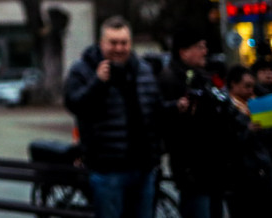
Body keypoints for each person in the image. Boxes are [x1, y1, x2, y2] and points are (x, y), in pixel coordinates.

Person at [64, 16, 162, 218]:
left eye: (124, 43)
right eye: (113, 43)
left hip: (143, 168)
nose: (119, 48)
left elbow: (155, 110)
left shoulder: (142, 70)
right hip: (107, 169)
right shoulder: (83, 69)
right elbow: (75, 104)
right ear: (102, 43)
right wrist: (98, 82)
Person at [157, 26, 226, 218]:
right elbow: (173, 126)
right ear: (184, 52)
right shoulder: (172, 79)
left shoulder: (201, 77)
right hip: (194, 169)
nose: (205, 51)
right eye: (200, 47)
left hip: (209, 168)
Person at [222, 65, 272, 217]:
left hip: (262, 174)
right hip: (240, 179)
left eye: (252, 86)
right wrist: (249, 132)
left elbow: (268, 136)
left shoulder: (256, 104)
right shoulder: (224, 108)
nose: (251, 91)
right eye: (246, 86)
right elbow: (226, 142)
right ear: (233, 84)